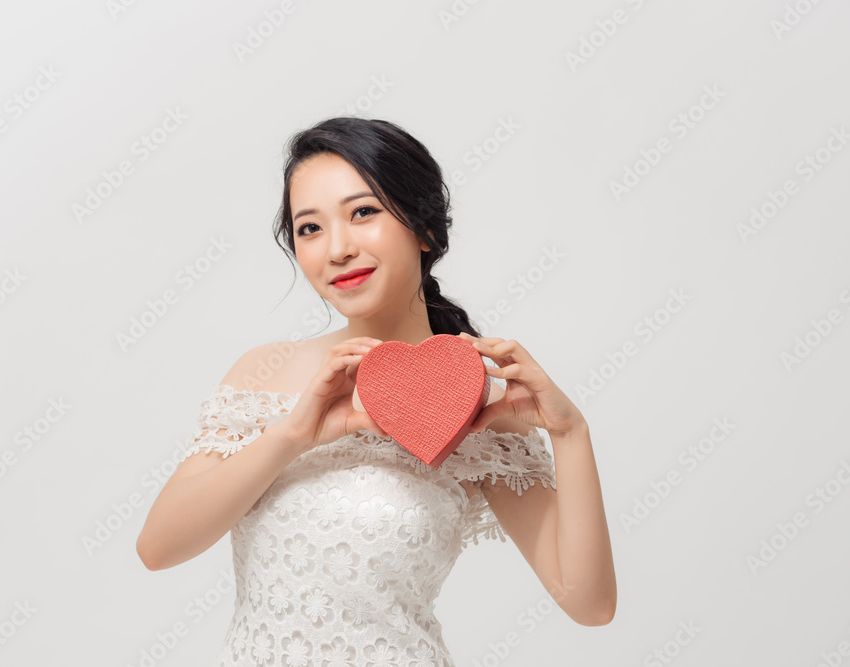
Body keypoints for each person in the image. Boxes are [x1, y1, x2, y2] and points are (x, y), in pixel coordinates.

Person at [136, 117, 617, 665]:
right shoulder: (263, 371)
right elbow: (158, 548)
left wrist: (571, 433)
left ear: (424, 229)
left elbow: (589, 604)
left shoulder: (480, 410)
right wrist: (294, 436)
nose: (337, 249)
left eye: (363, 212)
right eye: (310, 228)